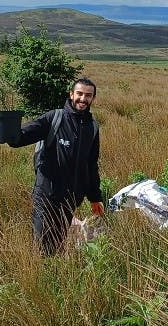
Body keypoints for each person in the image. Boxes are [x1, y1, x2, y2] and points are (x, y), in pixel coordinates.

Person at [9, 77, 103, 255]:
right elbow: (23, 137)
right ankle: (39, 276)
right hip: (46, 194)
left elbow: (91, 165)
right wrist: (9, 132)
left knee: (59, 240)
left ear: (93, 98)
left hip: (71, 197)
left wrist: (94, 197)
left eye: (88, 95)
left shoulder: (92, 126)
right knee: (42, 243)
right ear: (71, 94)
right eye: (79, 94)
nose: (83, 99)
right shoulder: (55, 117)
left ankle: (55, 273)